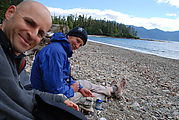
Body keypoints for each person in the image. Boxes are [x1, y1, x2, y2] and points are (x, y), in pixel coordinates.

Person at [0, 1, 79, 119]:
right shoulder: (55, 51)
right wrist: (70, 91)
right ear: (10, 13)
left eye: (40, 33)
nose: (33, 35)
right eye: (29, 23)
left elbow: (27, 90)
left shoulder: (17, 57)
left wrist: (59, 99)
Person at [30, 26, 127, 109]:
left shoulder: (60, 50)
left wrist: (79, 88)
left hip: (57, 89)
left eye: (80, 45)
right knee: (86, 95)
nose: (77, 46)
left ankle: (112, 89)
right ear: (69, 35)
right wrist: (72, 89)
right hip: (47, 98)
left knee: (85, 84)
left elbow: (63, 76)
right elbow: (54, 90)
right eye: (77, 41)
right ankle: (109, 94)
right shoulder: (55, 52)